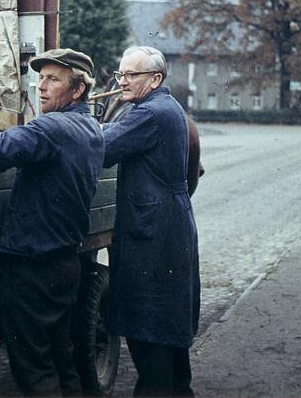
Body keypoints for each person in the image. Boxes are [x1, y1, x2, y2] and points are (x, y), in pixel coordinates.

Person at [0, 48, 105, 397]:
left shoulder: (52, 127)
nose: (41, 87)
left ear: (77, 90)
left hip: (32, 267)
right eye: (40, 79)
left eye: (53, 79)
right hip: (64, 263)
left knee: (34, 368)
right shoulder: (91, 128)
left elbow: (0, 150)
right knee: (60, 357)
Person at [102, 46, 201, 397]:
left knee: (151, 334)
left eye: (132, 75)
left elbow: (101, 146)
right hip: (169, 229)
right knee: (171, 339)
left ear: (155, 79)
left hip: (155, 238)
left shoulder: (149, 113)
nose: (122, 81)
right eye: (120, 74)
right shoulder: (166, 107)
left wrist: (67, 125)